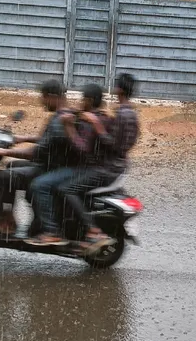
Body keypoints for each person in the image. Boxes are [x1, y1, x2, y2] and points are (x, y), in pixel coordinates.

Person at [0, 79, 73, 243]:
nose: (41, 102)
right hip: (54, 164)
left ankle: (3, 225)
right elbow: (48, 140)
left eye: (42, 97)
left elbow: (36, 152)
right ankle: (11, 220)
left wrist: (4, 151)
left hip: (49, 167)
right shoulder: (64, 115)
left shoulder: (58, 120)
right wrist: (23, 138)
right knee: (10, 166)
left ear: (50, 96)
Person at [57, 73, 141, 251]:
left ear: (118, 89)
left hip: (108, 169)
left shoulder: (123, 115)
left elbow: (114, 145)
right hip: (116, 165)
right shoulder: (129, 112)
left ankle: (94, 231)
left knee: (67, 188)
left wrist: (96, 124)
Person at [27, 82, 110, 247]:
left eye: (83, 99)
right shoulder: (93, 116)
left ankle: (52, 232)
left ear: (90, 100)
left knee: (40, 184)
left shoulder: (92, 120)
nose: (80, 102)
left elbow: (83, 149)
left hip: (85, 169)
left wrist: (69, 126)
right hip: (88, 167)